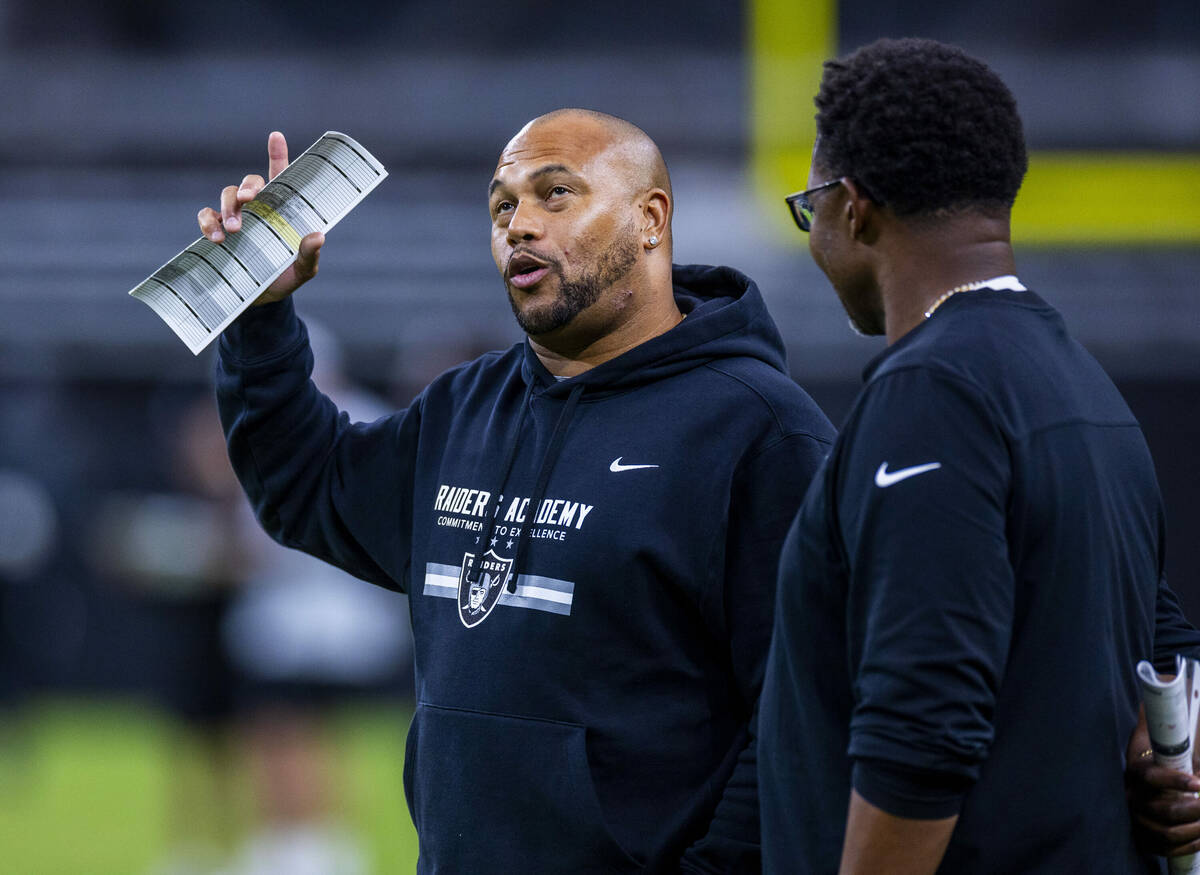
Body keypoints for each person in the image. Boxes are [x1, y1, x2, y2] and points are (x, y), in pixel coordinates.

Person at [200, 109, 835, 872]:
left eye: (555, 194)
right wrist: (262, 314)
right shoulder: (466, 404)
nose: (520, 225)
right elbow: (307, 487)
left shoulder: (761, 432)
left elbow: (802, 724)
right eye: (502, 206)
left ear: (650, 218)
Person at [756, 38, 1200, 873]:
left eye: (808, 206)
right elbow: (1169, 647)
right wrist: (1169, 756)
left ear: (854, 208)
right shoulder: (1080, 381)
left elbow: (923, 723)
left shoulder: (933, 394)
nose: (812, 233)